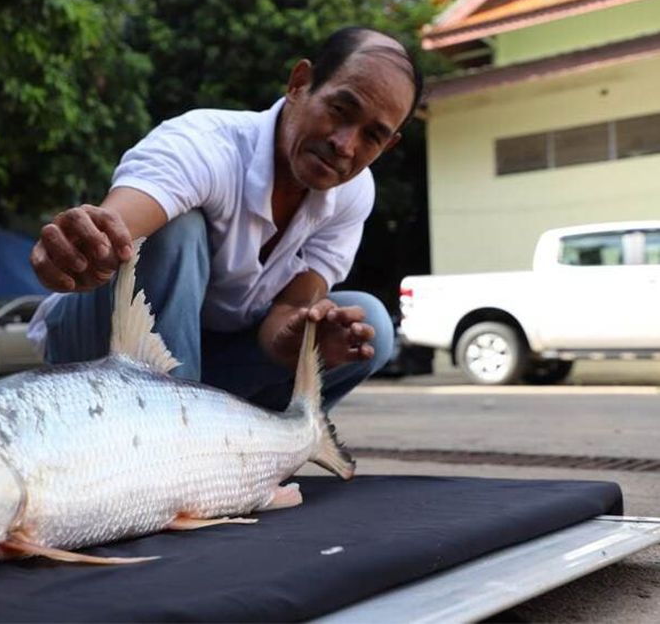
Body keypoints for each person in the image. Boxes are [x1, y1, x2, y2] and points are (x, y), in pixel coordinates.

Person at [26, 26, 423, 412]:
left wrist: (293, 340)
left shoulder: (352, 190)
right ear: (300, 83)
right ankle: (174, 446)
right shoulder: (206, 144)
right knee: (175, 229)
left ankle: (253, 451)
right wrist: (79, 250)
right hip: (98, 353)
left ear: (388, 145)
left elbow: (295, 305)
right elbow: (118, 226)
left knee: (371, 328)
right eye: (339, 109)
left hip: (205, 364)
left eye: (371, 136)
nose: (344, 144)